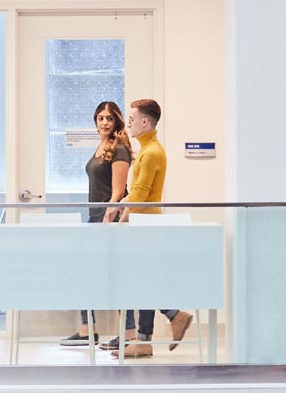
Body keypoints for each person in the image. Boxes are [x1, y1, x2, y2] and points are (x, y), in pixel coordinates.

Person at [104, 99, 193, 359]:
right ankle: (149, 336)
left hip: (145, 224)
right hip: (143, 222)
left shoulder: (152, 151)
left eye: (132, 119)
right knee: (142, 280)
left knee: (140, 280)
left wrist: (118, 212)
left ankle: (173, 316)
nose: (128, 123)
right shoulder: (147, 149)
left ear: (145, 121)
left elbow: (141, 194)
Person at [60, 101, 137, 348]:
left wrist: (108, 219)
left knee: (114, 277)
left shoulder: (120, 149)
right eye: (101, 118)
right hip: (95, 217)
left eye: (109, 118)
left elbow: (118, 193)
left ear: (117, 121)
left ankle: (128, 332)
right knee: (86, 273)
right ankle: (87, 329)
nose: (104, 122)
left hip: (108, 219)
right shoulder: (101, 146)